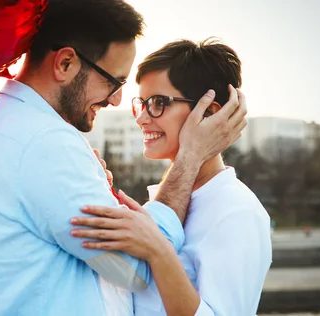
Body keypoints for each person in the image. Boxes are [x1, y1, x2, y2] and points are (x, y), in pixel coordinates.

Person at [0, 0, 248, 313]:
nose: (116, 100)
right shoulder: (45, 142)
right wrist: (191, 157)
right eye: (113, 81)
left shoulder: (1, 121)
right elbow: (133, 269)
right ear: (65, 64)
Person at [71, 38, 272, 315]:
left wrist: (158, 250)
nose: (142, 118)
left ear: (210, 112)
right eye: (141, 104)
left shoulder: (237, 211)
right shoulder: (169, 199)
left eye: (157, 103)